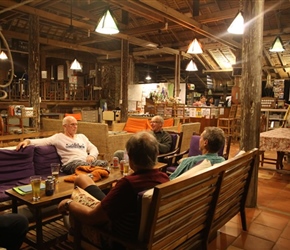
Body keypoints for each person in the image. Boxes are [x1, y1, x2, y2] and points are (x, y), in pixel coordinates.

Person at [58, 131, 169, 248]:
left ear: (130, 158)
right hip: (147, 233)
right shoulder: (164, 178)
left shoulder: (127, 185)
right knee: (82, 179)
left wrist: (68, 203)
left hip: (115, 239)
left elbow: (92, 218)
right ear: (156, 154)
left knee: (76, 201)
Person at [16, 116, 101, 174]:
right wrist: (27, 141)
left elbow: (93, 148)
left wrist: (92, 156)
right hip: (70, 164)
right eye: (72, 124)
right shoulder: (58, 137)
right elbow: (43, 141)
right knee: (85, 167)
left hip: (86, 161)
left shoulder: (82, 137)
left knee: (103, 164)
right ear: (65, 126)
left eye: (76, 124)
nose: (75, 127)